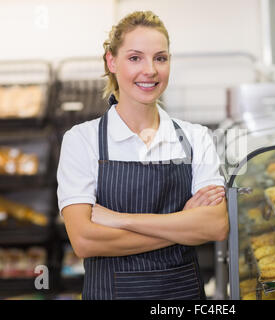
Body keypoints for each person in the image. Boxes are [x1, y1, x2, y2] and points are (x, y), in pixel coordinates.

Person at [57, 11, 229, 300]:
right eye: (135, 58)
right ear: (111, 62)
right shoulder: (82, 140)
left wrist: (121, 220)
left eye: (160, 58)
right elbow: (85, 241)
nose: (150, 70)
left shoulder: (196, 137)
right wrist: (181, 223)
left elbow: (215, 226)